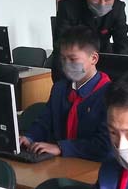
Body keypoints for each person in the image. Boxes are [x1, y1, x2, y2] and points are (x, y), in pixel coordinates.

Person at [20, 26, 111, 161]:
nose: (66, 65)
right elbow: (45, 121)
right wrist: (29, 137)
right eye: (63, 59)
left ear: (94, 58)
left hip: (93, 164)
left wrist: (61, 147)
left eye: (73, 59)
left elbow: (104, 144)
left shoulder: (111, 95)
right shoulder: (60, 88)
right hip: (62, 163)